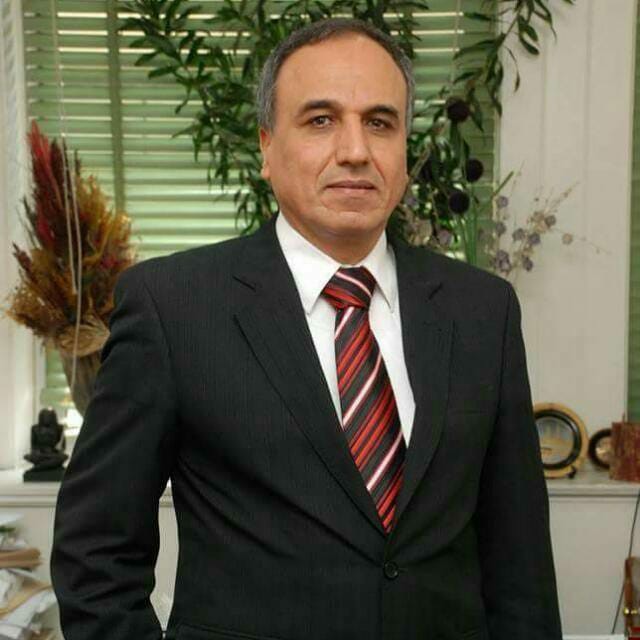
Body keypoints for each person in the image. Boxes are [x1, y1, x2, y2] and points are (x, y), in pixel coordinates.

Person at [50, 17, 563, 640]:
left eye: (380, 123)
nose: (355, 150)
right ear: (266, 148)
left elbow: (520, 564)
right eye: (321, 120)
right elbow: (95, 555)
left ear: (404, 151)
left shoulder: (483, 310)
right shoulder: (172, 307)